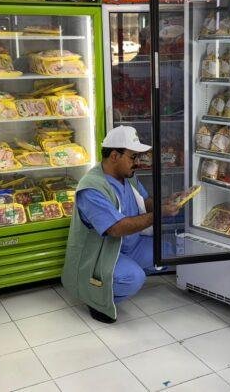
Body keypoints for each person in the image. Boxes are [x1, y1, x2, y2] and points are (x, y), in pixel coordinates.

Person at [61, 126, 180, 324]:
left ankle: (127, 271)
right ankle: (96, 297)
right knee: (133, 278)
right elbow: (116, 228)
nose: (137, 162)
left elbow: (144, 202)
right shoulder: (91, 188)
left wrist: (167, 202)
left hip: (130, 247)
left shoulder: (127, 177)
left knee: (169, 250)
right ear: (115, 156)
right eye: (133, 157)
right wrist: (160, 214)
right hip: (101, 255)